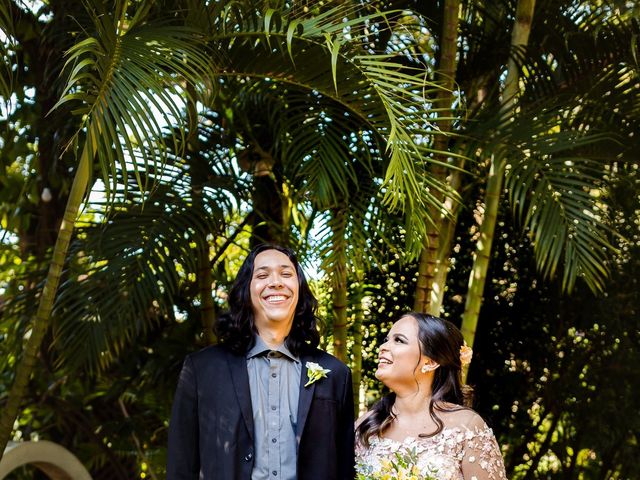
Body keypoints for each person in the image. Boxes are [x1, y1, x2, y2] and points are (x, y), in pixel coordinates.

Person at [167, 244, 355, 480]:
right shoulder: (202, 369)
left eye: (286, 274)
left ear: (299, 289)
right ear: (247, 290)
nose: (276, 282)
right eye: (263, 275)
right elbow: (181, 467)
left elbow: (344, 467)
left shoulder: (336, 373)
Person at [355, 312, 507, 480]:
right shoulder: (367, 425)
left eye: (399, 340)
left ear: (431, 362)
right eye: (387, 340)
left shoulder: (467, 427)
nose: (383, 347)